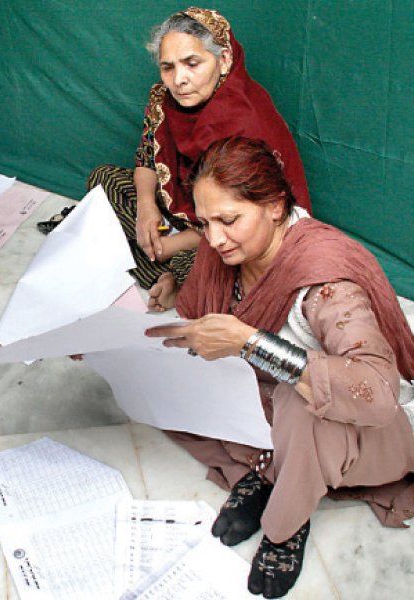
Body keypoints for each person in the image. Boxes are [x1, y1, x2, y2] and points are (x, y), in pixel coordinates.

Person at [145, 137, 414, 598]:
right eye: (205, 222)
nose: (214, 239)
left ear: (274, 206)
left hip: (356, 428)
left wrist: (251, 342)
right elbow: (195, 322)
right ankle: (269, 472)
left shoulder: (326, 280)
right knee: (162, 385)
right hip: (260, 409)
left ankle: (286, 523)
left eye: (229, 221)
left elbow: (376, 390)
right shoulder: (223, 252)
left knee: (300, 401)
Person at [40, 7, 311, 291]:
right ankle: (157, 265)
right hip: (180, 208)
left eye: (192, 63)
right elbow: (146, 156)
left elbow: (237, 220)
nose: (179, 80)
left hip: (228, 229)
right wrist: (146, 210)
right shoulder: (165, 100)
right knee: (103, 180)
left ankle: (162, 272)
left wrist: (169, 246)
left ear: (224, 59)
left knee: (206, 267)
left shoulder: (244, 124)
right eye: (168, 67)